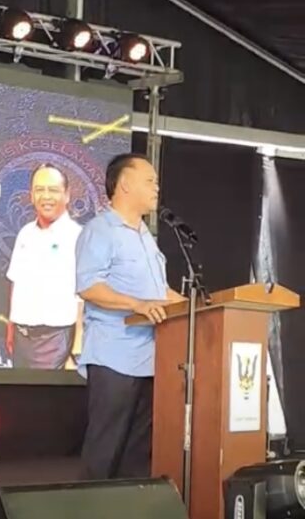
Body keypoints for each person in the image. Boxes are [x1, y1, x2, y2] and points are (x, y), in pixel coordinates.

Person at [75, 152, 183, 479]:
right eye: (150, 181)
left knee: (137, 454)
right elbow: (89, 286)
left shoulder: (145, 236)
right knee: (105, 448)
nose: (157, 188)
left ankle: (129, 504)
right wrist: (136, 304)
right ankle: (89, 505)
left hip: (150, 359)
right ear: (124, 185)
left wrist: (198, 305)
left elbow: (159, 291)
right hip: (113, 357)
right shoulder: (100, 230)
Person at [6, 163, 82, 370]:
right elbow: (15, 281)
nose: (46, 196)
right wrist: (11, 328)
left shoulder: (77, 237)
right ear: (31, 195)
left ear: (67, 195)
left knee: (45, 391)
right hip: (21, 337)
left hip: (55, 339)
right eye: (39, 190)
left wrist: (76, 349)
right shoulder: (25, 233)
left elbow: (83, 296)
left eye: (53, 190)